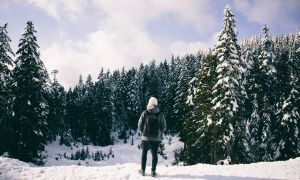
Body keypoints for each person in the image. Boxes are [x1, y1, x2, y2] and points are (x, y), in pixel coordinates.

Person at [138, 97, 166, 177]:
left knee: (144, 154)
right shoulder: (160, 114)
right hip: (156, 138)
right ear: (156, 103)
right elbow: (164, 126)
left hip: (145, 137)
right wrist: (159, 133)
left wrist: (143, 132)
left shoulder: (145, 113)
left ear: (149, 103)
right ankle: (153, 172)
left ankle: (142, 170)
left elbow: (139, 125)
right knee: (154, 154)